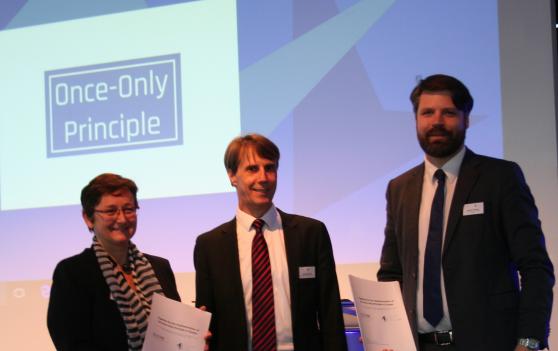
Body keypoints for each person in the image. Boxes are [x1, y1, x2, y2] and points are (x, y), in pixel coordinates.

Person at [377, 74, 554, 351]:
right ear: (416, 120)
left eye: (448, 112)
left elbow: (536, 267)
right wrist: (385, 334)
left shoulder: (501, 178)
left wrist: (529, 341)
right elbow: (391, 274)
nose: (436, 121)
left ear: (466, 119)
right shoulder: (399, 188)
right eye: (427, 113)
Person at [194, 134, 348, 351]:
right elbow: (206, 321)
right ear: (232, 175)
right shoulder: (209, 246)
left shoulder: (311, 233)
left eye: (270, 168)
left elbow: (330, 312)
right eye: (252, 169)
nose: (263, 177)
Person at [47, 173, 181, 351]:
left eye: (129, 209)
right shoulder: (72, 273)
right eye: (111, 211)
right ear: (88, 218)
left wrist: (191, 335)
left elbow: (174, 334)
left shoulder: (160, 267)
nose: (122, 219)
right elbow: (70, 343)